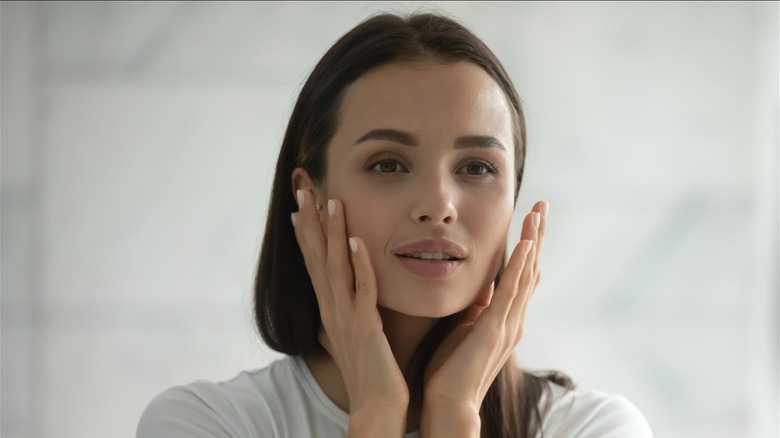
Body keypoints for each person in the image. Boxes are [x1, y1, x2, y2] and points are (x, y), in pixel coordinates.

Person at [137, 11, 653, 438]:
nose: (439, 206)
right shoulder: (205, 424)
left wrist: (454, 416)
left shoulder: (593, 428)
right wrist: (375, 417)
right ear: (309, 196)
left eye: (477, 168)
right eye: (388, 164)